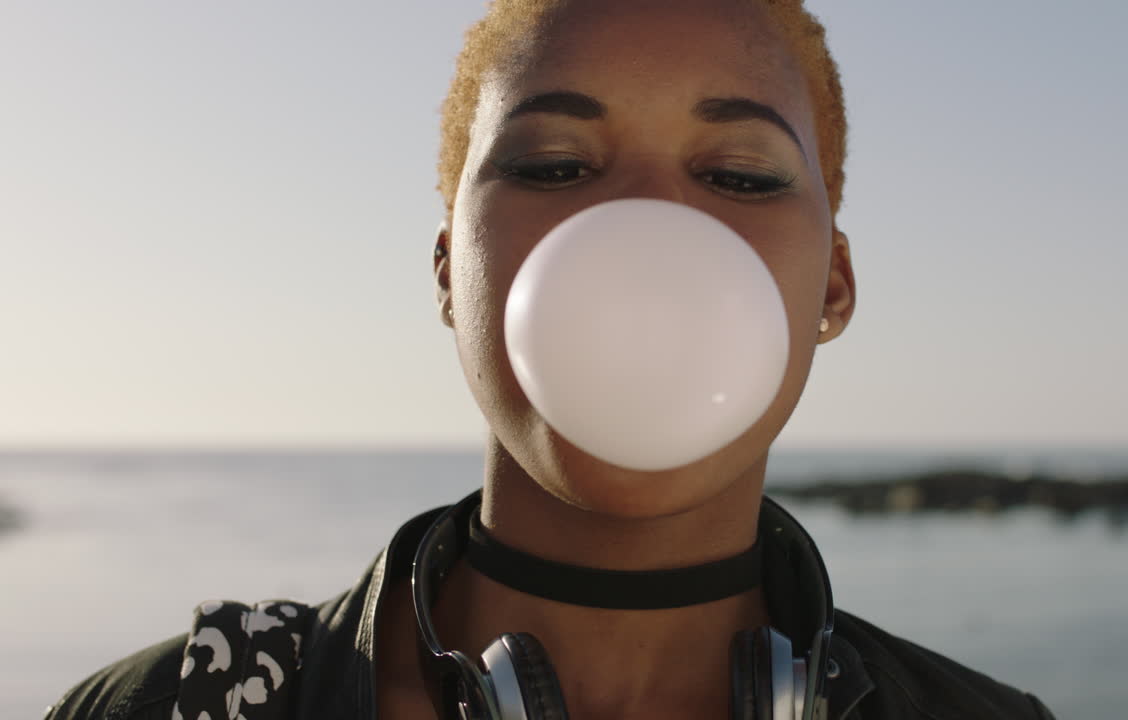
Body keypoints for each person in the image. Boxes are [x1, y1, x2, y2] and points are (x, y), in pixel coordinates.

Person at [47, 1, 1057, 718]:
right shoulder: (163, 708)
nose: (645, 236)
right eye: (554, 167)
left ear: (830, 285)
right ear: (451, 269)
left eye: (738, 176)